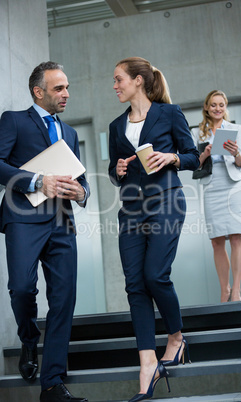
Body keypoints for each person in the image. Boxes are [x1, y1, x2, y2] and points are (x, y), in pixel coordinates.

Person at [108, 57, 199, 402]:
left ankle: (175, 339)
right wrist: (115, 168)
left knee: (155, 275)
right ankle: (147, 363)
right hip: (130, 209)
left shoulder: (169, 113)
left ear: (138, 81)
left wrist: (171, 158)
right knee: (134, 285)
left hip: (166, 201)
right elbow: (112, 170)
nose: (115, 85)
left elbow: (191, 155)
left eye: (119, 79)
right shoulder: (117, 126)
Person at [0, 61, 90, 402]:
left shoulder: (70, 133)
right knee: (21, 288)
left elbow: (80, 179)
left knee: (63, 300)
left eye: (67, 87)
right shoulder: (13, 120)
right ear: (39, 92)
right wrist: (37, 180)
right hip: (23, 218)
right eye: (58, 88)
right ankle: (27, 338)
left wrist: (82, 193)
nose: (66, 94)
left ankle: (52, 383)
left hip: (62, 223)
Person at [192, 89, 241, 303]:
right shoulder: (198, 132)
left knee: (236, 236)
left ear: (225, 107)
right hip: (212, 185)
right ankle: (224, 290)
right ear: (206, 107)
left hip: (233, 184)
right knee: (216, 241)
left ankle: (236, 290)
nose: (217, 108)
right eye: (213, 104)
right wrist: (204, 154)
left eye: (221, 105)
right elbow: (194, 164)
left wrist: (235, 153)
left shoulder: (235, 128)